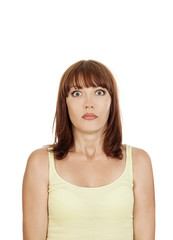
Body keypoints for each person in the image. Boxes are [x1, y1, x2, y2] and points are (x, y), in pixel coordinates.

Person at [22, 60, 155, 240]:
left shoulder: (139, 161)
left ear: (112, 101)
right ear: (65, 103)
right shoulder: (40, 163)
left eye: (99, 92)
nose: (89, 103)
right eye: (77, 93)